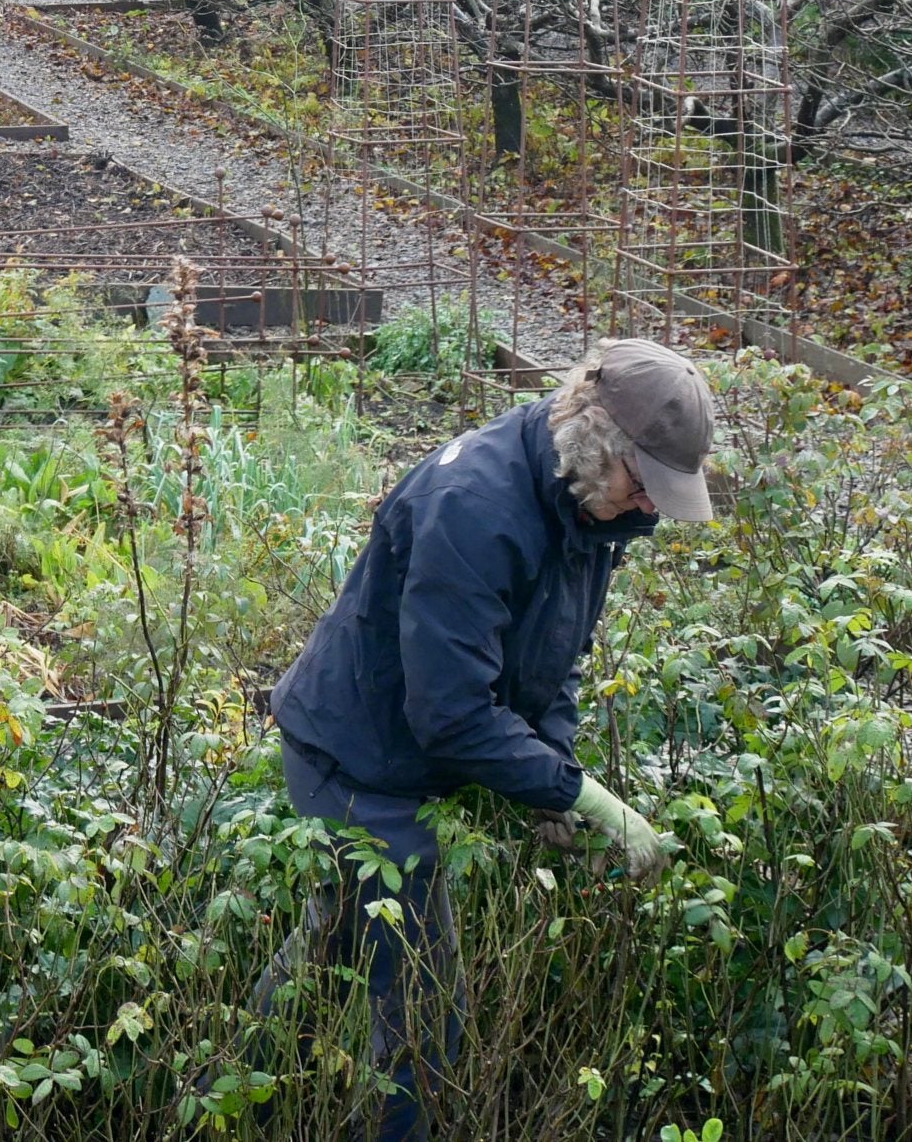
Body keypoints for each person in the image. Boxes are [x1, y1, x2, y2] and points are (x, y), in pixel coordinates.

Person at [264, 337, 717, 1140]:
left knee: (332, 946)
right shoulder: (478, 508)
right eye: (644, 486)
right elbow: (452, 714)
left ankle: (231, 1083)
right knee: (426, 1016)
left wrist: (554, 772)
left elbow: (554, 660)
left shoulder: (585, 505)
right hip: (360, 759)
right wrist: (583, 795)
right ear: (597, 445)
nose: (651, 508)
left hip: (408, 751)